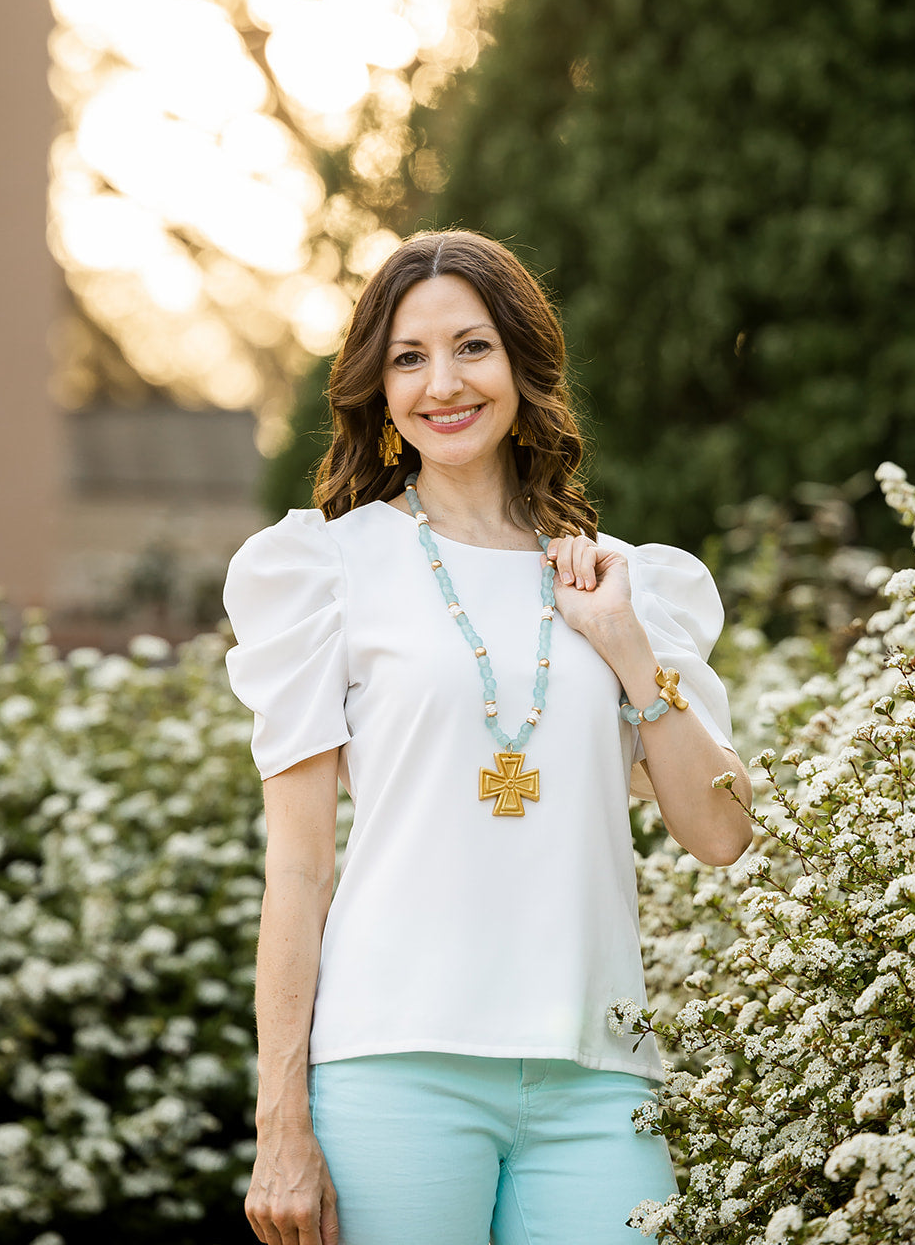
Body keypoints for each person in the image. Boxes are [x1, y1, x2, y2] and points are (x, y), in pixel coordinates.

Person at [222, 229, 753, 1245]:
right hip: (392, 1068)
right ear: (376, 390)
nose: (442, 383)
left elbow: (721, 833)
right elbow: (294, 869)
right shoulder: (324, 571)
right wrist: (279, 1122)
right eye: (408, 358)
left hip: (597, 1083)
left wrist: (629, 651)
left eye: (471, 346)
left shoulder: (623, 581)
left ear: (520, 362)